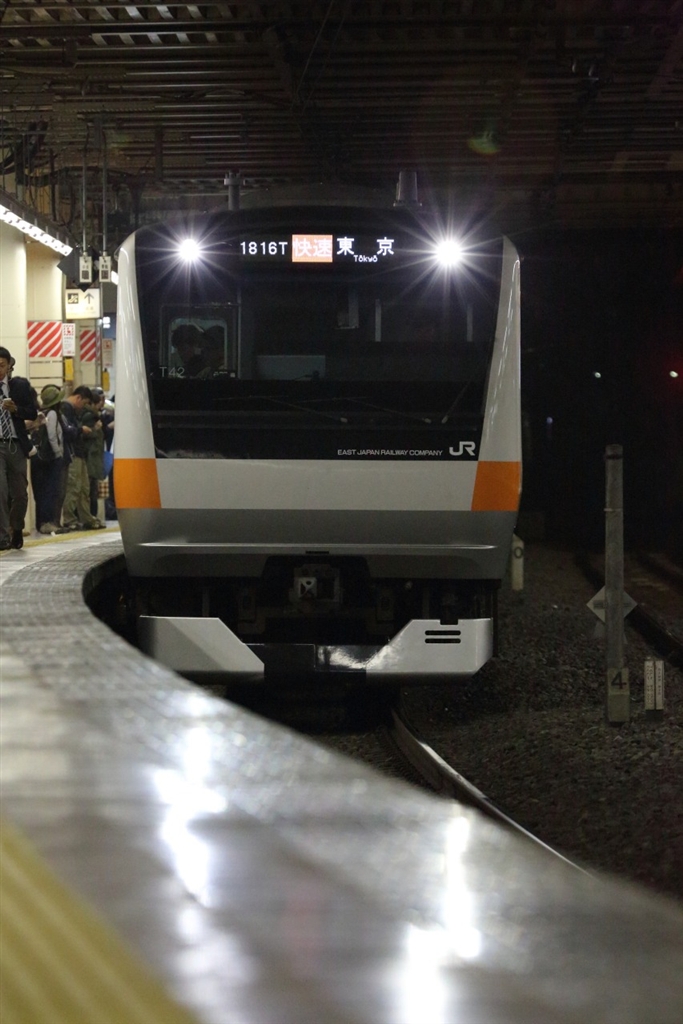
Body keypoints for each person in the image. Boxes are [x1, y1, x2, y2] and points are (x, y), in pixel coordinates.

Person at [0, 346, 37, 550]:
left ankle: (16, 527)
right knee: (0, 490)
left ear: (8, 366)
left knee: (20, 494)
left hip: (16, 444)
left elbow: (32, 412)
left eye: (2, 365)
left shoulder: (19, 386)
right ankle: (3, 536)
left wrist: (16, 410)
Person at [61, 385, 105, 531]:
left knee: (84, 489)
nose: (84, 407)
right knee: (74, 487)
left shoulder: (73, 410)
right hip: (73, 453)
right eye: (84, 403)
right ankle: (69, 518)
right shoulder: (66, 408)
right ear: (78, 397)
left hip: (80, 454)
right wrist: (82, 430)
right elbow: (67, 430)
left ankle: (86, 517)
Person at [31, 384, 66, 534]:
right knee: (50, 490)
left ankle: (41, 522)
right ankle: (46, 522)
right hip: (50, 458)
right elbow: (53, 436)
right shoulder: (52, 414)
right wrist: (58, 453)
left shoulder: (41, 413)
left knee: (41, 491)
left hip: (39, 457)